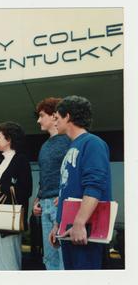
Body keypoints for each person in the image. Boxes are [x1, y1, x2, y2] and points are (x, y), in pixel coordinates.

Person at [49, 95, 112, 270]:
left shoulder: (93, 143)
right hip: (69, 231)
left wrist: (79, 222)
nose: (55, 122)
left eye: (57, 118)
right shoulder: (72, 146)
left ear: (67, 116)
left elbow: (95, 185)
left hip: (84, 232)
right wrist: (58, 225)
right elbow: (65, 190)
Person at [0, 121, 32, 270]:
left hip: (9, 216)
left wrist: (0, 188)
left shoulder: (21, 160)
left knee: (8, 262)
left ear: (9, 139)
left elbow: (25, 190)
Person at [32, 97, 70, 270]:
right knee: (50, 259)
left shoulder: (70, 140)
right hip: (45, 205)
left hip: (61, 205)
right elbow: (44, 176)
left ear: (54, 116)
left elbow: (72, 174)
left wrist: (65, 196)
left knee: (65, 259)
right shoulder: (44, 146)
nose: (38, 120)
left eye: (41, 115)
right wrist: (37, 200)